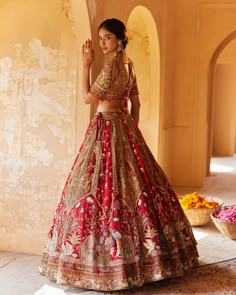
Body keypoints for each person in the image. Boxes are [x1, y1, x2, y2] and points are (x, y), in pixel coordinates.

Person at [39, 18, 199, 292]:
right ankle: (154, 259)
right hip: (125, 126)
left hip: (104, 127)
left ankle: (106, 263)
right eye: (100, 38)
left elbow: (87, 99)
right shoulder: (129, 64)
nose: (102, 43)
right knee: (134, 190)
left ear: (120, 40)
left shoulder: (113, 66)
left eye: (107, 38)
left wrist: (85, 65)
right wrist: (131, 132)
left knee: (100, 191)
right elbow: (136, 103)